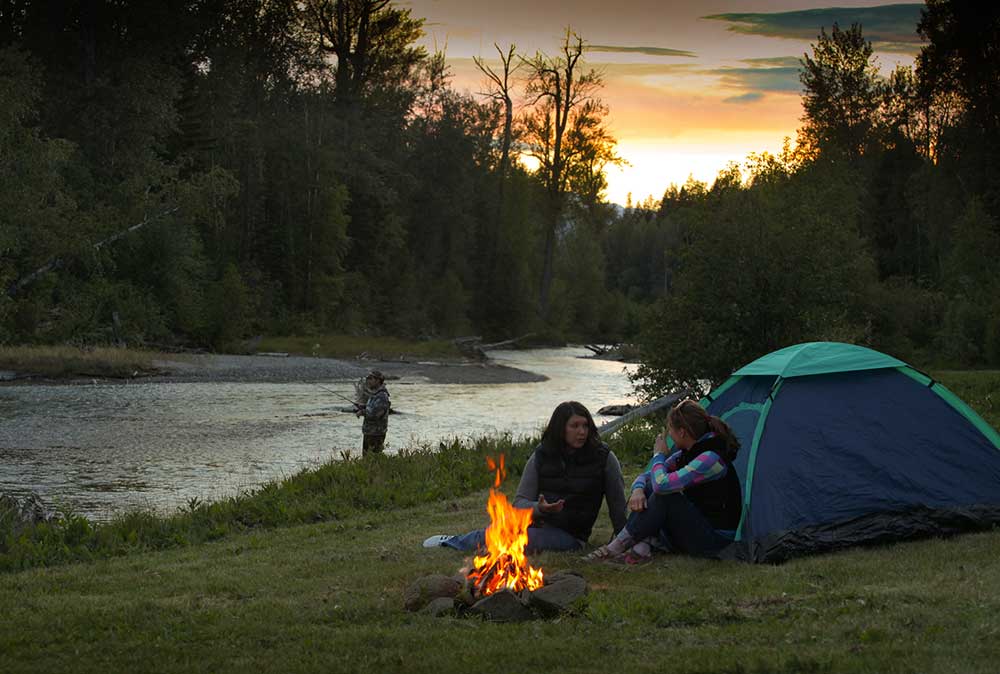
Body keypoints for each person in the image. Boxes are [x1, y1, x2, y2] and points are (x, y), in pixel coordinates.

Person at [423, 401, 627, 553]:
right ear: (560, 428)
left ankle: (453, 543)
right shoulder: (541, 455)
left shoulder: (604, 458)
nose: (582, 432)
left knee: (514, 536)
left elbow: (617, 504)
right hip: (537, 523)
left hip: (571, 536)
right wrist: (540, 508)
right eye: (575, 426)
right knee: (500, 529)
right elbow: (519, 503)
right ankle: (452, 541)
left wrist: (624, 540)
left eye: (585, 426)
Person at [584, 398, 741, 564]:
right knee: (651, 486)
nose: (669, 435)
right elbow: (647, 477)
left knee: (664, 495)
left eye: (670, 430)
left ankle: (616, 547)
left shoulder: (710, 458)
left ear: (681, 432)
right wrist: (638, 490)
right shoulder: (688, 453)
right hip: (699, 528)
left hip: (715, 541)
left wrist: (658, 455)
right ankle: (641, 550)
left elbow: (661, 485)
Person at [356, 370, 390, 455]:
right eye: (368, 379)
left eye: (371, 379)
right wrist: (363, 407)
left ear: (378, 380)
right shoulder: (375, 395)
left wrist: (362, 412)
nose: (368, 381)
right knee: (367, 460)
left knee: (372, 460)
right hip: (370, 432)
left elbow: (375, 414)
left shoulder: (382, 396)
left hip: (376, 434)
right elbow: (372, 409)